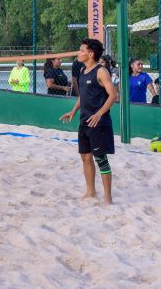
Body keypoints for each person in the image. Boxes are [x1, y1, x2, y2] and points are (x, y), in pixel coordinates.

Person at [60, 38, 117, 205]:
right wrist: (73, 111)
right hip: (84, 121)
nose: (79, 53)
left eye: (82, 50)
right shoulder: (83, 71)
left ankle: (108, 198)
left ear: (90, 54)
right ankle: (91, 192)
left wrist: (99, 114)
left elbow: (113, 95)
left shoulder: (101, 71)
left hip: (98, 123)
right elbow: (83, 96)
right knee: (85, 157)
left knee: (101, 159)